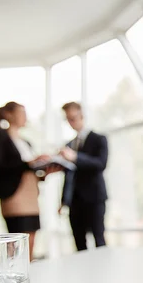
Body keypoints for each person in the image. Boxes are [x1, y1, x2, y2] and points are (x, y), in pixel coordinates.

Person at [0, 102, 58, 260]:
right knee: (17, 237)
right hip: (14, 194)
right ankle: (13, 274)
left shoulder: (26, 142)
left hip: (31, 194)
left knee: (32, 236)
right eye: (22, 113)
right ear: (9, 114)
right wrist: (29, 163)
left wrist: (45, 171)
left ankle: (28, 272)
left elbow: (30, 169)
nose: (25, 117)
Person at [59, 102, 108, 251]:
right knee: (79, 242)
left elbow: (100, 164)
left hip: (94, 198)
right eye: (68, 119)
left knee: (99, 239)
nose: (71, 122)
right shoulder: (69, 144)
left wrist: (75, 157)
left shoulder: (99, 139)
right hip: (75, 200)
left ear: (81, 116)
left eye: (73, 118)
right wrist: (63, 201)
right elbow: (68, 177)